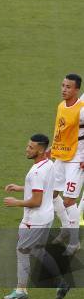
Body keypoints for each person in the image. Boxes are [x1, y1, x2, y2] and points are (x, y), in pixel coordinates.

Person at [3, 134, 70, 299]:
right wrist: (20, 187)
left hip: (34, 220)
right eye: (28, 146)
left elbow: (35, 200)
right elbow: (43, 188)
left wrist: (16, 202)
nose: (27, 149)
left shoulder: (37, 172)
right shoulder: (48, 164)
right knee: (38, 250)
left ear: (41, 150)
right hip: (47, 217)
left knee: (22, 251)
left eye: (31, 147)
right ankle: (62, 282)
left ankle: (21, 291)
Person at [49, 74, 84, 256]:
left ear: (76, 90)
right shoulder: (61, 106)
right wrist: (51, 149)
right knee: (52, 192)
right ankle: (65, 228)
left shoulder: (82, 110)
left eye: (68, 87)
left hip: (77, 159)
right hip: (61, 155)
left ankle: (74, 242)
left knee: (70, 200)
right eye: (62, 85)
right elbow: (59, 130)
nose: (64, 89)